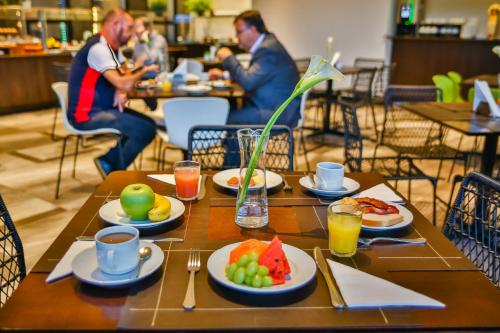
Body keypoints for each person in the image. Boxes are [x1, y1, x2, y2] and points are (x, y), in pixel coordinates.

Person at [68, 8, 158, 178]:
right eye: (130, 27)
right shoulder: (98, 48)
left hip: (104, 108)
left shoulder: (112, 49)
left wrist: (121, 88)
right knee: (144, 130)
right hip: (86, 115)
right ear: (115, 25)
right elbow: (124, 81)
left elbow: (125, 73)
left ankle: (109, 163)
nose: (132, 34)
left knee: (149, 125)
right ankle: (112, 170)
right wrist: (144, 69)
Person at [209, 10, 300, 127]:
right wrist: (225, 75)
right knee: (230, 109)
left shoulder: (268, 50)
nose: (236, 36)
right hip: (272, 106)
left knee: (228, 118)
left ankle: (236, 145)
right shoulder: (268, 45)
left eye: (239, 32)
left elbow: (248, 82)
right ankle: (239, 145)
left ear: (252, 30)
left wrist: (229, 58)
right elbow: (254, 76)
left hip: (277, 113)